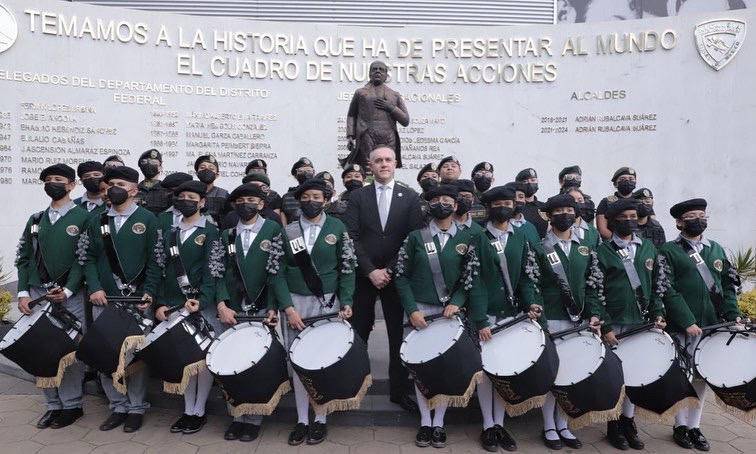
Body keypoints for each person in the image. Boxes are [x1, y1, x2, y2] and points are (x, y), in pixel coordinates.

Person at [393, 183, 485, 449]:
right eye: (436, 200)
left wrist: (456, 302)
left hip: (449, 316)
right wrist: (412, 310)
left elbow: (471, 276)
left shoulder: (468, 238)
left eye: (447, 200)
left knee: (444, 371)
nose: (441, 204)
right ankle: (424, 421)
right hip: (419, 313)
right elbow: (401, 277)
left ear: (456, 206)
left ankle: (439, 423)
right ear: (429, 206)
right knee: (422, 371)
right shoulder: (415, 238)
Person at [81, 166, 162, 433]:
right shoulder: (97, 221)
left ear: (134, 190)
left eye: (121, 183)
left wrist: (149, 291)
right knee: (105, 353)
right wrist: (94, 287)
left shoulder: (149, 219)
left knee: (135, 358)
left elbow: (156, 261)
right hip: (105, 299)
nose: (114, 187)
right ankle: (117, 406)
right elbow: (89, 258)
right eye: (111, 183)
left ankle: (136, 408)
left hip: (138, 300)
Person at [344, 146, 424, 413]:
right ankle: (353, 387)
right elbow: (350, 237)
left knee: (397, 336)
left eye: (388, 159)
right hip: (363, 277)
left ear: (396, 163)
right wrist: (370, 270)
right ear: (370, 165)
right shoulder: (357, 197)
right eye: (378, 160)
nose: (383, 164)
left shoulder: (411, 198)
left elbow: (412, 239)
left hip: (396, 278)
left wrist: (389, 270)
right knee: (358, 333)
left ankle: (399, 391)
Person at [660, 198, 743, 451]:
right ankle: (680, 425)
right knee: (682, 375)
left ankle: (695, 426)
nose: (699, 219)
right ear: (679, 222)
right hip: (683, 326)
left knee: (701, 377)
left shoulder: (716, 249)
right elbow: (668, 290)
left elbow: (728, 285)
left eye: (703, 215)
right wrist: (687, 321)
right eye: (693, 215)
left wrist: (733, 314)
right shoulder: (669, 251)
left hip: (712, 326)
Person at [279, 178, 356, 446]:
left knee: (321, 361)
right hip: (296, 306)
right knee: (299, 362)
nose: (311, 201)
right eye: (306, 196)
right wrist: (288, 308)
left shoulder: (338, 227)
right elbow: (276, 273)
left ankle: (320, 418)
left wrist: (346, 300)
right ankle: (301, 419)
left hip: (328, 303)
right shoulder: (288, 231)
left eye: (317, 196)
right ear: (299, 200)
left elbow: (347, 267)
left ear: (325, 200)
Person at [15, 164, 90, 429]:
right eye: (48, 180)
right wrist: (23, 292)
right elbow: (23, 258)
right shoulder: (36, 219)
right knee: (39, 349)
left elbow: (84, 260)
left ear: (71, 185)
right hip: (38, 293)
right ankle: (52, 405)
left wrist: (68, 289)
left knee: (67, 350)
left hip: (69, 296)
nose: (52, 184)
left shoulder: (84, 218)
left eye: (58, 180)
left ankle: (72, 405)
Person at [145, 180, 220, 435]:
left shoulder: (211, 232)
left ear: (202, 202)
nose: (186, 200)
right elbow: (160, 270)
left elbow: (213, 272)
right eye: (182, 196)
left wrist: (203, 300)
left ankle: (199, 409)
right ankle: (187, 409)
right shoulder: (170, 233)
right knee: (184, 360)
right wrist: (160, 303)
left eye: (192, 197)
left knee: (202, 359)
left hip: (201, 306)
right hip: (175, 305)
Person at [593, 198, 668, 450]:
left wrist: (657, 313)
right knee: (616, 376)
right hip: (615, 325)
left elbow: (658, 286)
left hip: (642, 323)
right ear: (612, 222)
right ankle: (613, 424)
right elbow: (595, 292)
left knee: (636, 373)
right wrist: (605, 327)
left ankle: (628, 421)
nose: (629, 221)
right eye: (623, 217)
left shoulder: (648, 248)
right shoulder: (602, 252)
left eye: (633, 216)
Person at [215, 183, 285, 442]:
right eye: (242, 200)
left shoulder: (273, 230)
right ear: (234, 205)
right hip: (233, 311)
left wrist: (273, 307)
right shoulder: (227, 235)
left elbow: (277, 273)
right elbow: (218, 272)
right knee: (232, 361)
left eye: (252, 200)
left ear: (262, 204)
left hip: (261, 309)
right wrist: (222, 304)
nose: (247, 204)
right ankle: (236, 415)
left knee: (255, 364)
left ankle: (254, 417)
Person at [475, 186, 543, 452]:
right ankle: (487, 425)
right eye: (498, 203)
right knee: (486, 372)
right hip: (487, 316)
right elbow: (476, 282)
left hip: (513, 317)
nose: (504, 206)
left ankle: (500, 425)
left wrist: (531, 303)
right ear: (489, 208)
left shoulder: (520, 238)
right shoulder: (478, 238)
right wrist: (480, 320)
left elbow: (526, 278)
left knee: (504, 370)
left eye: (508, 202)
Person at [537, 193, 604, 450]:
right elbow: (536, 286)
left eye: (569, 209)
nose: (564, 214)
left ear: (576, 215)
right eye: (558, 210)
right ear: (549, 216)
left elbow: (592, 285)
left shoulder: (585, 247)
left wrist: (594, 313)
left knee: (571, 374)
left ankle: (564, 424)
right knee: (552, 375)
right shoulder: (541, 247)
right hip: (552, 318)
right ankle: (549, 426)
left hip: (579, 322)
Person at [343, 60, 410, 168]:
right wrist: (350, 135)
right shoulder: (360, 93)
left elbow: (405, 120)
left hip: (389, 136)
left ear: (386, 75)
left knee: (387, 166)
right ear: (369, 74)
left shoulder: (394, 95)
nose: (378, 71)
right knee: (368, 166)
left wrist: (391, 108)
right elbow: (351, 114)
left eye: (381, 70)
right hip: (367, 134)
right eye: (374, 69)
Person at [596, 167, 638, 240]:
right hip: (613, 245)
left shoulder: (640, 201)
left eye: (631, 179)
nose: (627, 181)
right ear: (615, 184)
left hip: (640, 246)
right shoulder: (606, 202)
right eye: (622, 179)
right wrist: (619, 243)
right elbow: (602, 230)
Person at [503, 181, 542, 251]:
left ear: (525, 200)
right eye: (513, 197)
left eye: (521, 197)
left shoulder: (530, 227)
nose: (517, 200)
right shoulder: (500, 226)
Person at [194, 155, 229, 225]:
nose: (206, 170)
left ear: (217, 175)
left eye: (211, 168)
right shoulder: (191, 193)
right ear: (197, 173)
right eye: (202, 167)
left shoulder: (223, 194)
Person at [135, 149, 172, 214]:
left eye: (153, 162)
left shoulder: (168, 191)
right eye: (145, 162)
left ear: (160, 167)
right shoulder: (134, 190)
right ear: (140, 167)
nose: (149, 164)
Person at [280, 157, 315, 225]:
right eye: (301, 171)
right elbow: (284, 221)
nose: (305, 173)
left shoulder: (320, 195)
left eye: (309, 170)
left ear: (313, 173)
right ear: (295, 175)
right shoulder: (287, 197)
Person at [514, 168, 548, 238]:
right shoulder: (515, 206)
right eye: (525, 181)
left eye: (533, 180)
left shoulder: (544, 207)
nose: (530, 183)